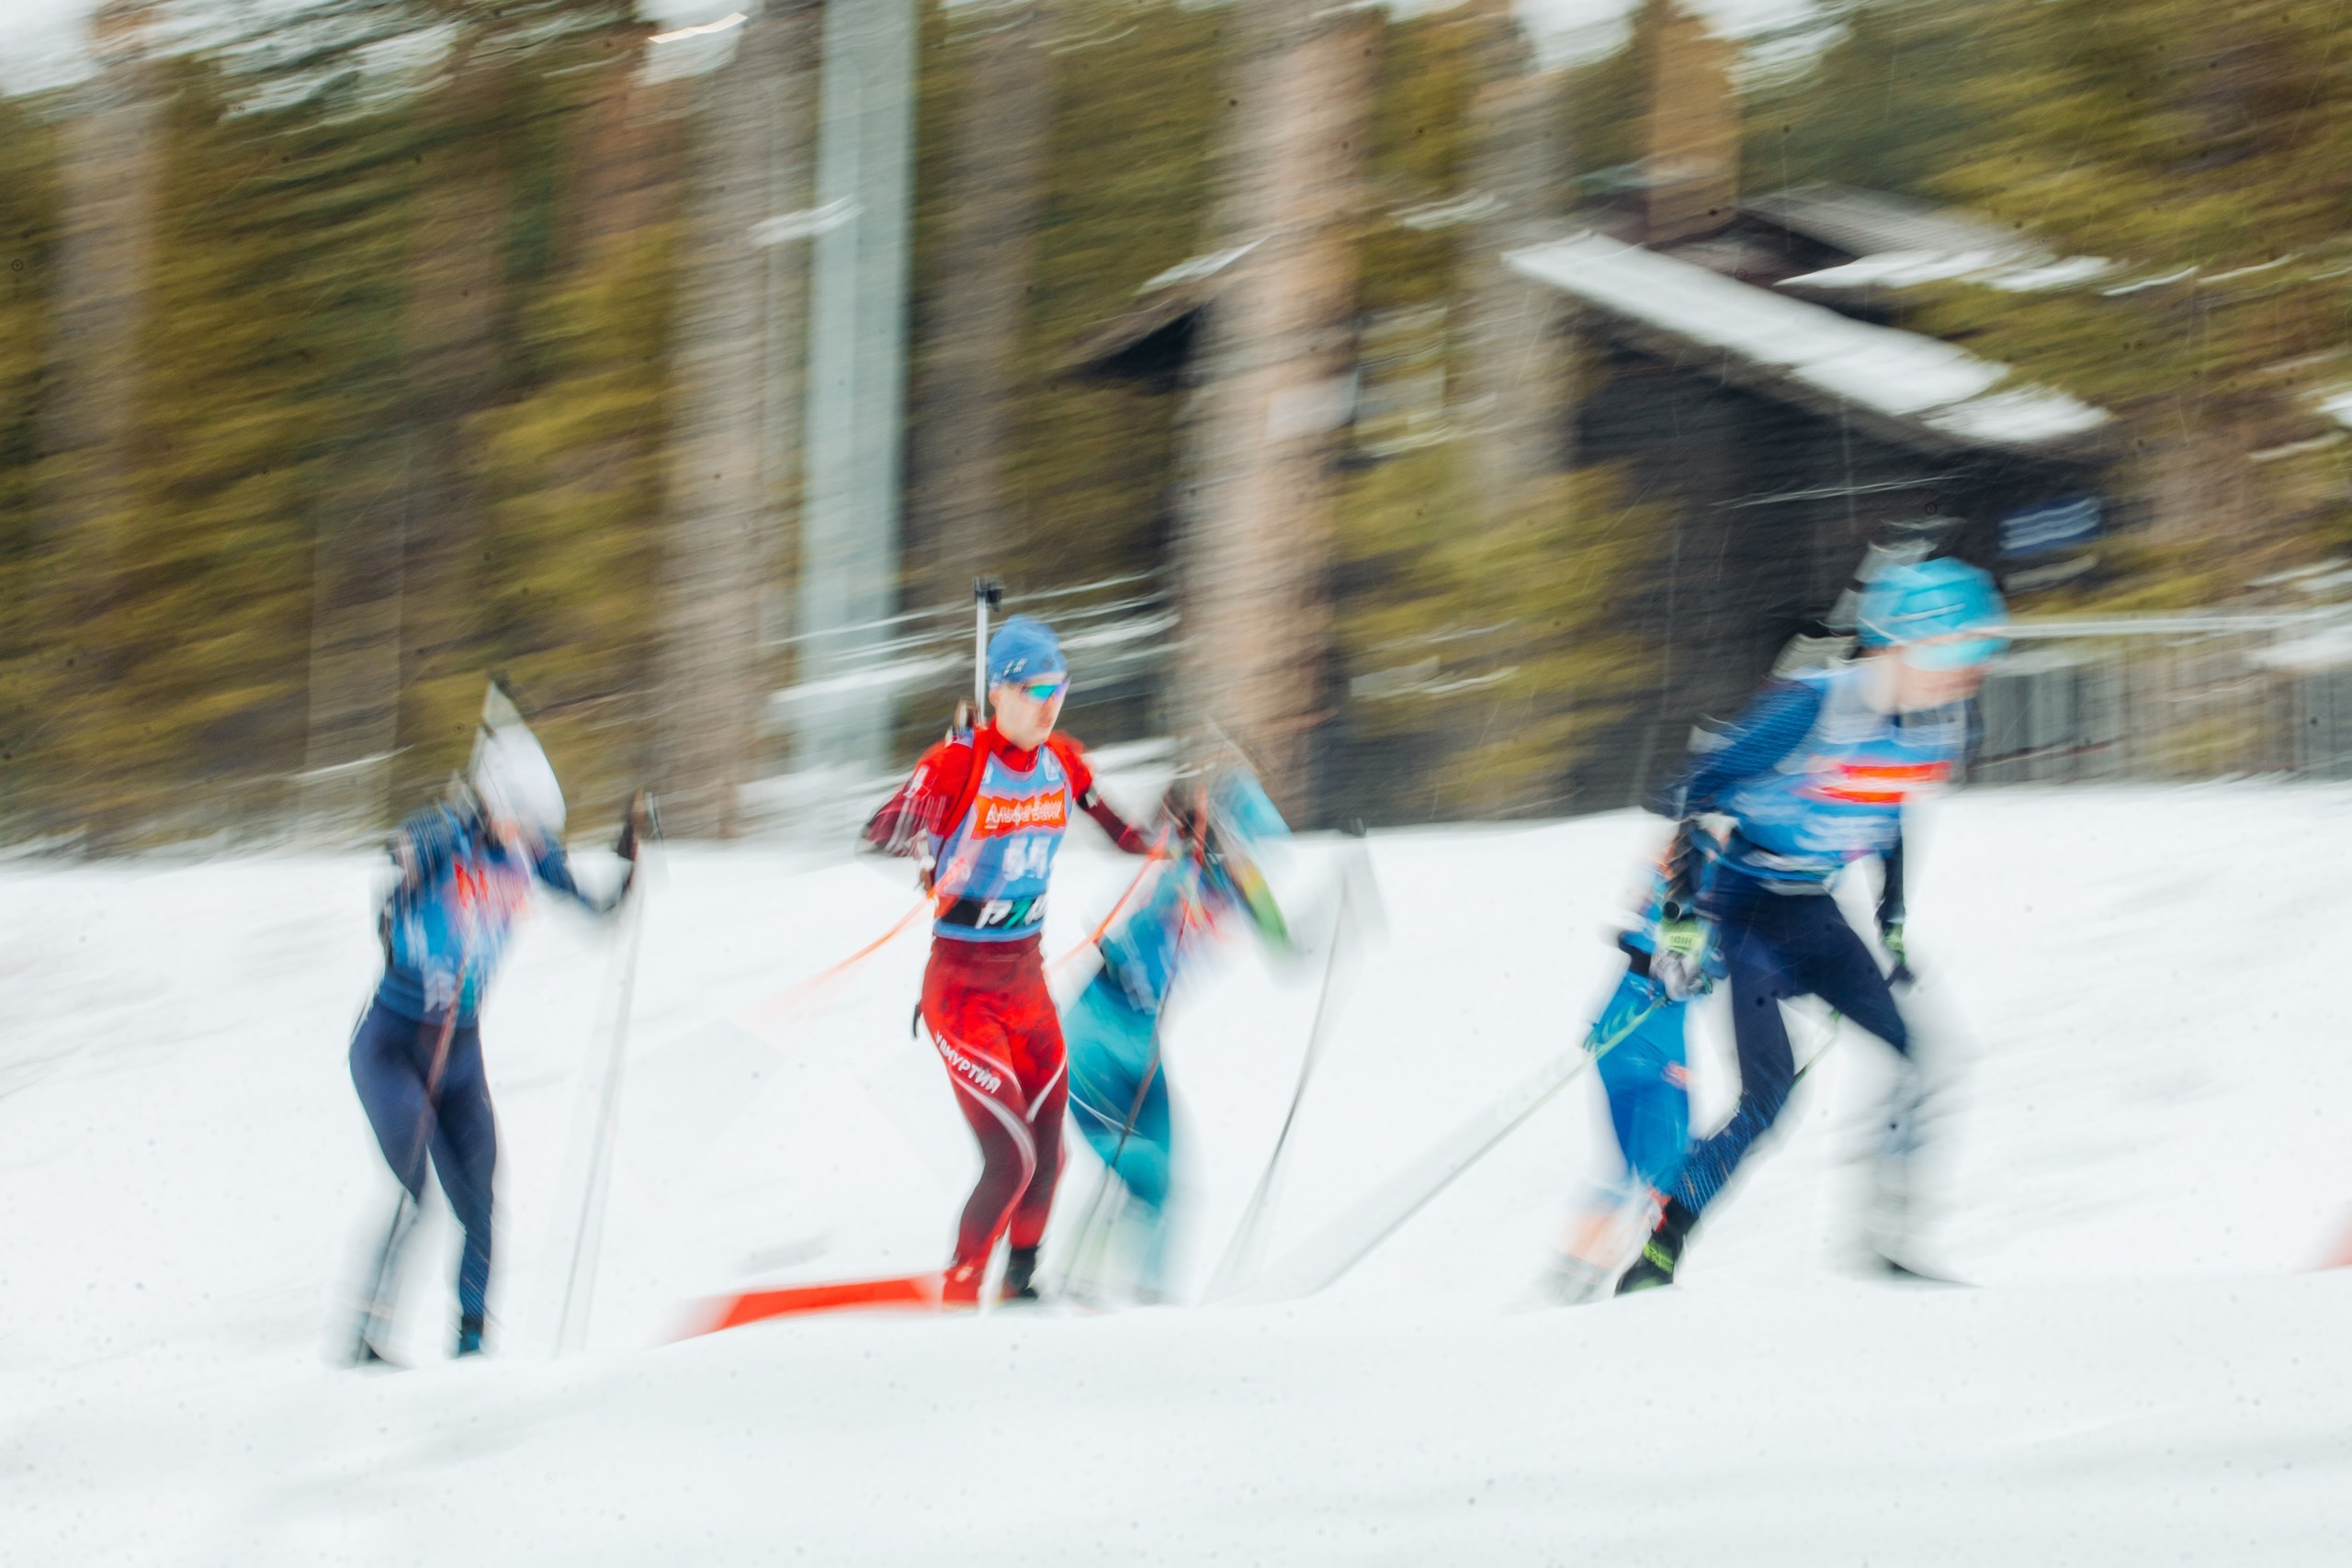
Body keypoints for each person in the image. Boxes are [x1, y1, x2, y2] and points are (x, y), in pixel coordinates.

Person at [1615, 556, 2006, 1294]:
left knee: (1922, 1054)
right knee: (1769, 1097)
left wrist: (1892, 918)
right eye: (1953, 652)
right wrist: (1678, 917)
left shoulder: (1944, 724)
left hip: (1810, 909)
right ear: (1897, 643)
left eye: (1976, 654)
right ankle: (1658, 1251)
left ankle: (1886, 1244)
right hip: (1743, 906)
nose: (1967, 673)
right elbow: (1691, 789)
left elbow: (1885, 806)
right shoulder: (1808, 709)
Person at [861, 615, 1149, 1306]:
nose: (1050, 705)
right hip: (962, 993)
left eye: (1060, 689)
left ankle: (1021, 1286)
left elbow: (1123, 833)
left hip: (1026, 986)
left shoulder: (1063, 761)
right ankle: (961, 1291)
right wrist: (927, 814)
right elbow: (881, 831)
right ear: (999, 692)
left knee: (1050, 1156)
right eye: (1035, 690)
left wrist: (1178, 839)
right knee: (1011, 1157)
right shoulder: (957, 763)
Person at [350, 705, 636, 1361]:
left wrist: (628, 864)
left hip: (459, 1050)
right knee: (417, 1195)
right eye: (521, 821)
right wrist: (412, 867)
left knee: (479, 1201)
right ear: (493, 801)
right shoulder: (446, 836)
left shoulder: (532, 853)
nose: (530, 837)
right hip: (392, 1045)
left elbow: (597, 910)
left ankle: (472, 1346)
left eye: (537, 828)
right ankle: (365, 1338)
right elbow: (392, 878)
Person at [1062, 766, 1295, 1303]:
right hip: (1094, 1035)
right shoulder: (1181, 875)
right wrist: (1193, 850)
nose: (1252, 872)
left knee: (1165, 1183)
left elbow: (1285, 942)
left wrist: (1338, 916)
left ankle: (1151, 1300)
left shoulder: (1234, 888)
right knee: (1144, 1175)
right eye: (1245, 854)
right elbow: (1139, 942)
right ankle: (1077, 1286)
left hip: (1139, 1040)